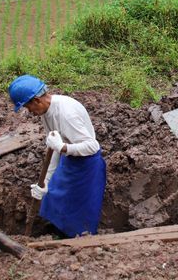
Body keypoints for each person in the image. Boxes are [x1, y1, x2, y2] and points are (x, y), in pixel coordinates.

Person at [8, 75, 106, 237]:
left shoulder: (67, 114)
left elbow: (92, 147)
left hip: (87, 166)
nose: (30, 112)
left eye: (28, 107)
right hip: (69, 160)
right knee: (54, 196)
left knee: (80, 208)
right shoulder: (46, 111)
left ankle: (81, 240)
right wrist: (46, 181)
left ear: (37, 101)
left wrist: (62, 147)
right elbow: (53, 146)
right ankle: (60, 232)